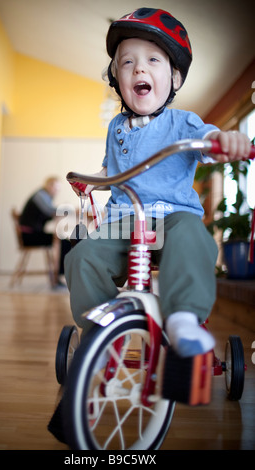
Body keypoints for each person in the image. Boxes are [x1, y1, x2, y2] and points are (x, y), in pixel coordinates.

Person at [65, 8, 251, 357]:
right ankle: (100, 336)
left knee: (194, 237)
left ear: (175, 79)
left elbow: (208, 141)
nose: (139, 68)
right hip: (123, 222)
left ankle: (184, 318)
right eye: (127, 63)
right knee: (81, 258)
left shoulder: (183, 122)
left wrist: (226, 142)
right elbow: (111, 169)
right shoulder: (115, 127)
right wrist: (92, 182)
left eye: (153, 59)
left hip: (172, 217)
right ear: (117, 79)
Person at [19, 176, 71, 288]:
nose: (56, 192)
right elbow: (49, 211)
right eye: (55, 188)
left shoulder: (44, 196)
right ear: (48, 185)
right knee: (63, 241)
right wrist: (66, 209)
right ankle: (58, 276)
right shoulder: (40, 196)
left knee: (62, 240)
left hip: (32, 234)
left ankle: (59, 275)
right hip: (29, 236)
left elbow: (48, 214)